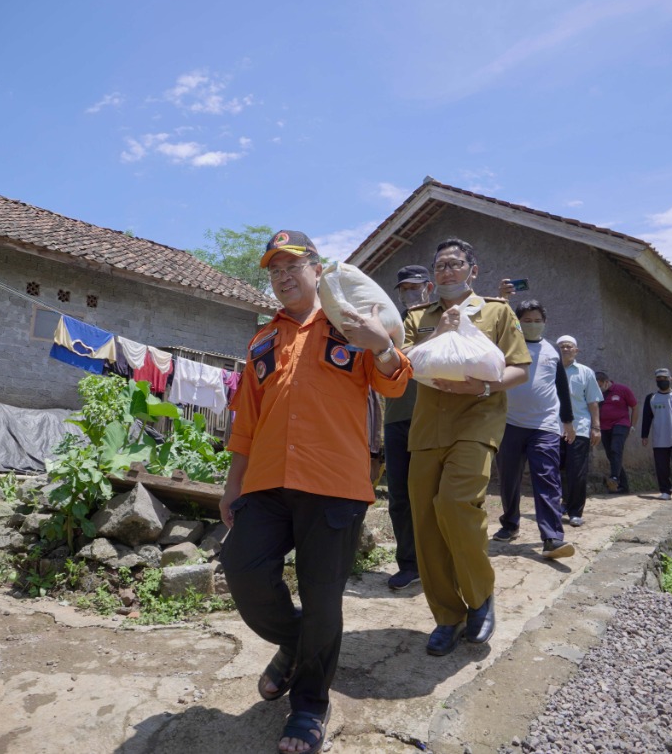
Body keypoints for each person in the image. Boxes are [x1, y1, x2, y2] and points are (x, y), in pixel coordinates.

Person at [219, 230, 410, 754]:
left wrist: (382, 345)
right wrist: (232, 485)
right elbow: (246, 420)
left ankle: (308, 707)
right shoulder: (262, 339)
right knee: (243, 568)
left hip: (335, 483)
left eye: (292, 266)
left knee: (323, 598)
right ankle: (297, 640)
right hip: (266, 482)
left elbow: (393, 382)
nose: (283, 277)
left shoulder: (349, 320)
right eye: (274, 271)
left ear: (317, 268)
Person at [402, 238, 530, 657]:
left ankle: (479, 598)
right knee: (425, 522)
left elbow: (519, 368)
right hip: (425, 430)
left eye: (455, 264)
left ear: (473, 271)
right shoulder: (418, 317)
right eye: (440, 266)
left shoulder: (497, 311)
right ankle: (447, 616)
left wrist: (487, 385)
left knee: (456, 504)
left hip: (478, 420)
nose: (447, 272)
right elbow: (402, 364)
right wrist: (437, 333)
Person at [493, 301, 575, 557]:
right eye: (526, 320)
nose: (532, 324)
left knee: (547, 477)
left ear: (544, 322)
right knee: (508, 478)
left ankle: (552, 537)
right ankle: (510, 523)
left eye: (537, 319)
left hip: (545, 425)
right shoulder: (505, 348)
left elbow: (562, 389)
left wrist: (568, 422)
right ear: (517, 322)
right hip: (509, 423)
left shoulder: (552, 352)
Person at [383, 264, 434, 590]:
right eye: (404, 289)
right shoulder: (390, 326)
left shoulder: (442, 319)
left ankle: (438, 563)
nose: (409, 294)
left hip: (432, 417)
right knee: (399, 497)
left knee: (433, 495)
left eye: (415, 287)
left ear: (428, 287)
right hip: (395, 418)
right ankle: (409, 563)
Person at [556, 335, 602, 527]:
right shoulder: (549, 370)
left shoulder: (586, 372)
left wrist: (596, 427)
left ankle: (575, 511)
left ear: (576, 351)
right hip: (552, 428)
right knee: (556, 470)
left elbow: (593, 402)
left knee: (577, 471)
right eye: (561, 347)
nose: (565, 349)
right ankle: (563, 505)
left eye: (569, 347)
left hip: (579, 428)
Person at [640, 369, 672, 499]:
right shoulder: (651, 398)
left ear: (670, 379)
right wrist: (644, 435)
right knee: (662, 466)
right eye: (659, 379)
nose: (661, 381)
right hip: (660, 437)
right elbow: (647, 417)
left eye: (664, 378)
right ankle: (665, 491)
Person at [595, 371, 638, 494]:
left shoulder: (622, 389)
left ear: (606, 382)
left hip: (621, 424)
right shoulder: (596, 393)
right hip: (604, 427)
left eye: (599, 385)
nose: (598, 388)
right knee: (612, 455)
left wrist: (633, 426)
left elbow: (635, 407)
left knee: (615, 449)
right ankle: (623, 487)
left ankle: (614, 477)